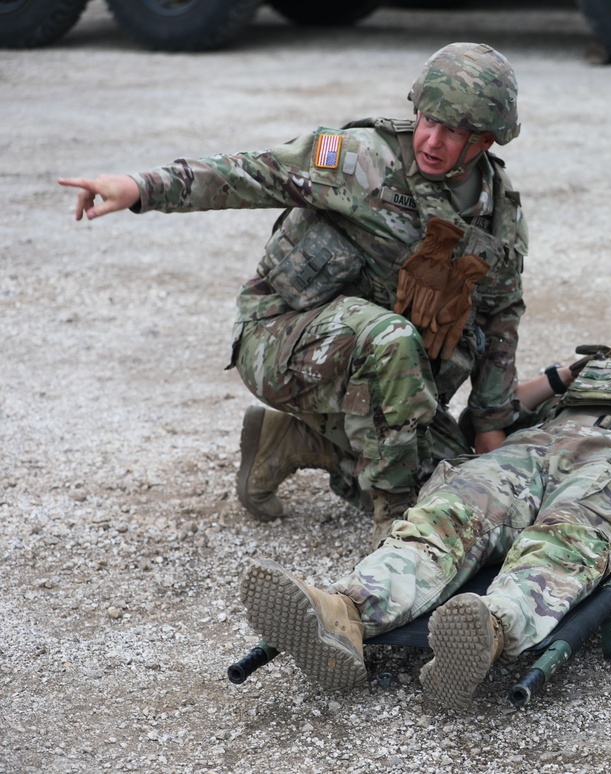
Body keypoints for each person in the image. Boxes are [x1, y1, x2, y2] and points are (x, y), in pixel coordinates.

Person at [58, 42, 528, 546]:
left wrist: (489, 427)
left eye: (453, 131)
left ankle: (289, 441)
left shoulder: (498, 219)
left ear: (484, 142)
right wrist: (139, 188)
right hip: (279, 337)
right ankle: (395, 524)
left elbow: (501, 317)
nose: (431, 140)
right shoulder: (361, 159)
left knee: (447, 470)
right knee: (393, 344)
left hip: (376, 367)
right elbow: (247, 174)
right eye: (426, 119)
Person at [238, 336, 611, 709]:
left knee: (567, 539)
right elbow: (489, 415)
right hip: (534, 446)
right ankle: (347, 611)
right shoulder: (605, 367)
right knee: (450, 514)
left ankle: (491, 626)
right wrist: (568, 372)